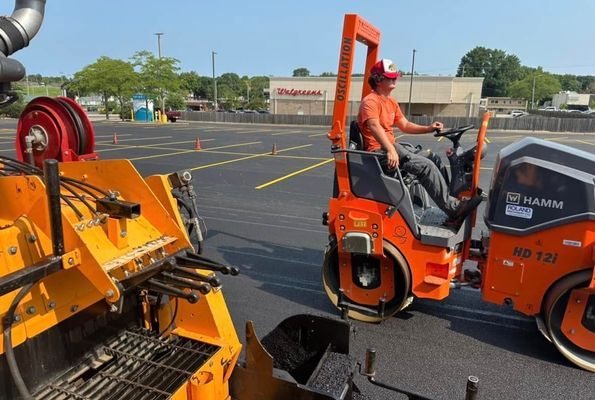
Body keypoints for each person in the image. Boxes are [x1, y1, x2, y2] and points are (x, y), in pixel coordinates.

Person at [357, 58, 482, 223]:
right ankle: (454, 209)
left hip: (391, 148)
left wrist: (429, 128)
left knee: (433, 158)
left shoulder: (391, 102)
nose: (395, 80)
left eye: (395, 77)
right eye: (390, 77)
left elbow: (405, 125)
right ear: (379, 79)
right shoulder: (370, 101)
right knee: (426, 167)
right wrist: (390, 149)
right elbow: (374, 125)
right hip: (379, 153)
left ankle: (450, 200)